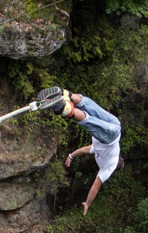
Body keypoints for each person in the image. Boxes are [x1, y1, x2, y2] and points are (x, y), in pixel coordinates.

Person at [38, 87, 123, 215]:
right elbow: (95, 186)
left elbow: (84, 150)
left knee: (88, 104)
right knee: (87, 120)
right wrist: (87, 203)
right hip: (109, 136)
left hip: (116, 125)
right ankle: (63, 107)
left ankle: (64, 93)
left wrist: (71, 156)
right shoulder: (109, 167)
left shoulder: (107, 151)